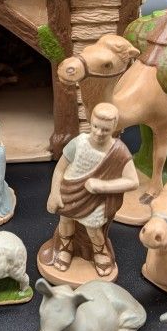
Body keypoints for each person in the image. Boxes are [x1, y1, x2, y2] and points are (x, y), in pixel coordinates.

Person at [39, 102, 140, 278]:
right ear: (90, 122)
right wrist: (54, 193)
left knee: (93, 228)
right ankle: (66, 248)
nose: (99, 133)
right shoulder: (78, 143)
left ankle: (100, 252)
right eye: (95, 127)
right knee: (66, 221)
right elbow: (60, 169)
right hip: (69, 192)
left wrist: (102, 186)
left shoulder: (119, 151)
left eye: (105, 130)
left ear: (114, 127)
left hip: (96, 199)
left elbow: (133, 182)